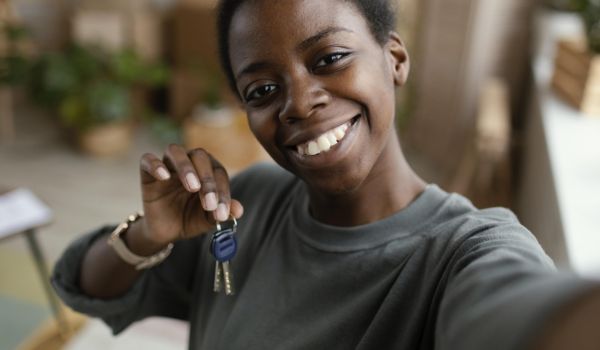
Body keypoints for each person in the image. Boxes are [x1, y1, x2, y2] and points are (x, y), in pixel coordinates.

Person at [51, 0, 600, 349]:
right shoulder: (246, 206)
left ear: (395, 60)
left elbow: (524, 316)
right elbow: (85, 288)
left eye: (329, 57)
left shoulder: (464, 253)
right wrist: (150, 234)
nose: (299, 102)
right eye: (262, 90)